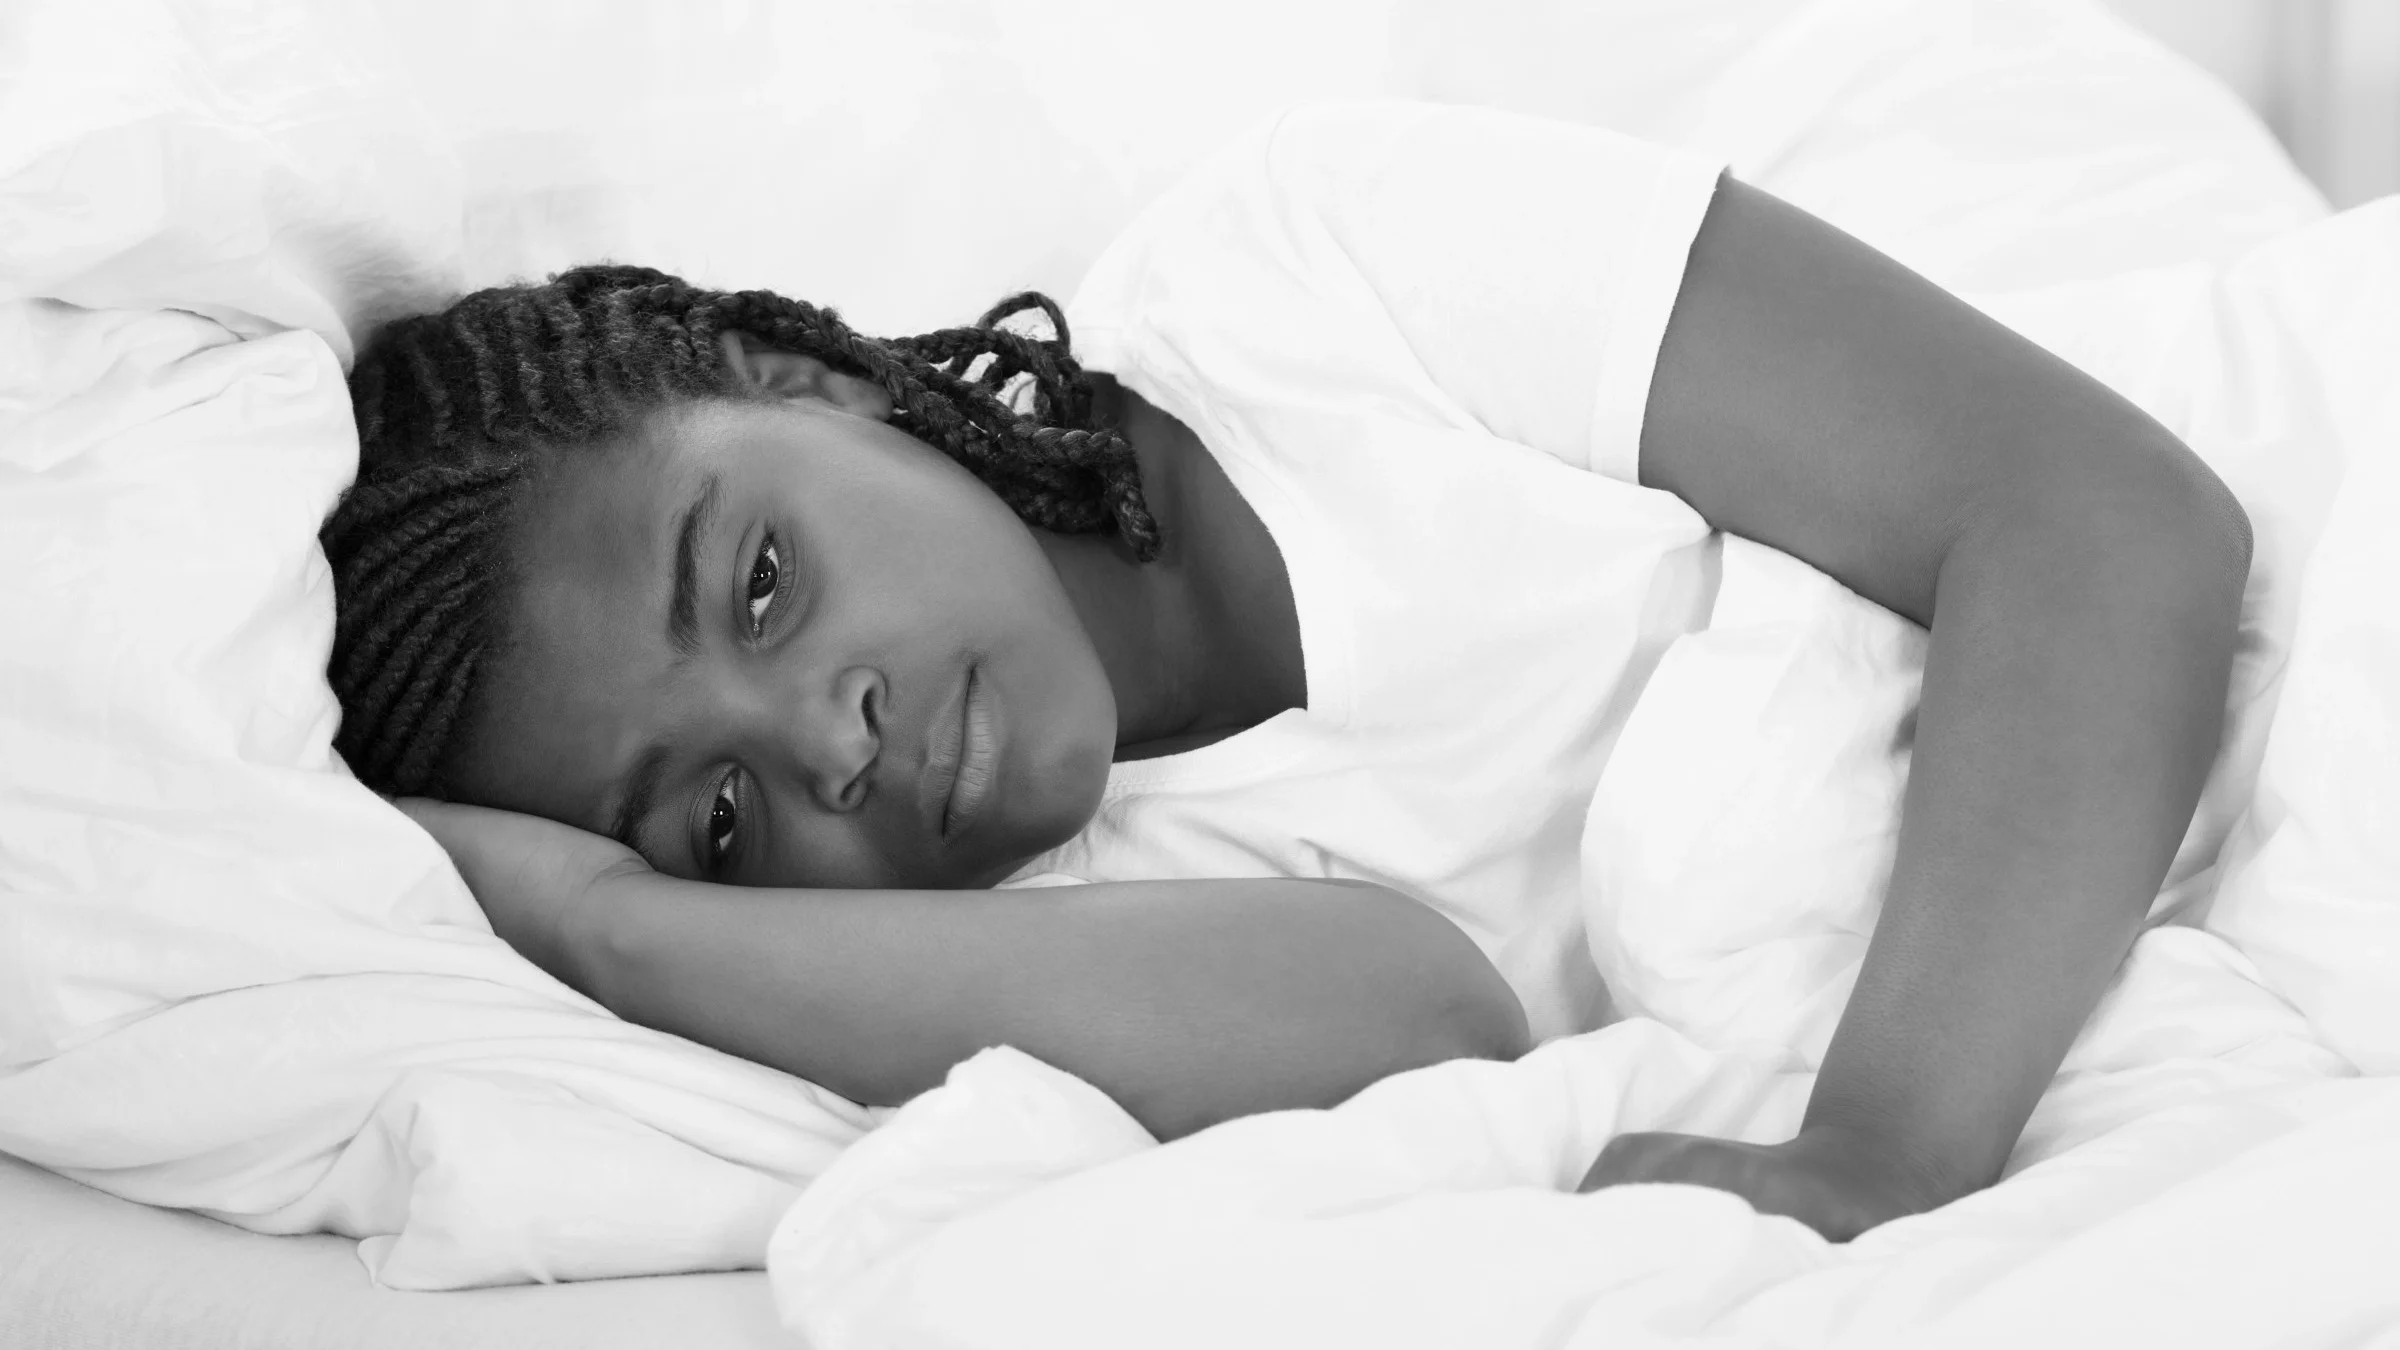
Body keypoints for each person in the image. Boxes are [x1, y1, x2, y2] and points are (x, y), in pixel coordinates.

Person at [322, 100, 2250, 1242]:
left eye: (757, 583)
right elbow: (1418, 1016)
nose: (827, 737)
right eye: (719, 815)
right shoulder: (994, 936)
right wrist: (614, 930)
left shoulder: (1311, 273)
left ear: (810, 381)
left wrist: (1886, 1150)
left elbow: (2094, 519)